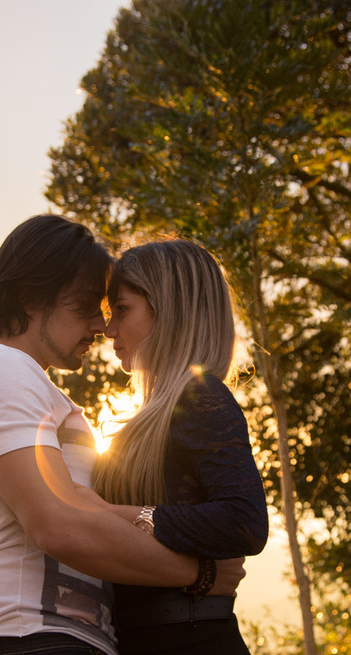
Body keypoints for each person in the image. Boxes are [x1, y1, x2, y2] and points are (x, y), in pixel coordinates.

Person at [0, 215, 243, 655]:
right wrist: (199, 575)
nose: (100, 325)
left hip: (57, 637)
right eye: (85, 305)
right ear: (30, 296)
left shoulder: (26, 386)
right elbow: (57, 526)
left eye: (110, 310)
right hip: (31, 637)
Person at [90, 238, 269, 654]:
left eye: (121, 310)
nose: (109, 329)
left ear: (168, 310)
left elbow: (245, 521)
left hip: (194, 640)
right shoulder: (156, 413)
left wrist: (116, 517)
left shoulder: (201, 395)